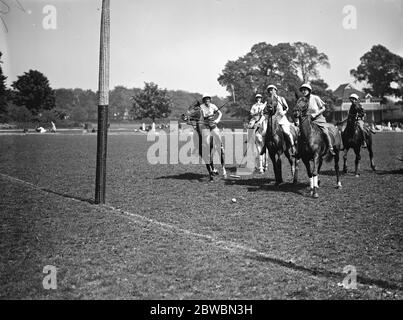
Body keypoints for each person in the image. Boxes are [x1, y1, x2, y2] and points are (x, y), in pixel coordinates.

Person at [299, 83, 335, 155]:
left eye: (305, 90)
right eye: (302, 90)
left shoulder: (315, 98)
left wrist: (315, 114)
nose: (303, 91)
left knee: (325, 132)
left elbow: (323, 108)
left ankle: (330, 148)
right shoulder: (301, 100)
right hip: (307, 120)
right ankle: (298, 151)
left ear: (309, 90)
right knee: (299, 134)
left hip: (318, 119)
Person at [266, 85, 296, 155]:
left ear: (275, 90)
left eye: (272, 89)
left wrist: (283, 112)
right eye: (269, 90)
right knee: (265, 132)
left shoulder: (281, 99)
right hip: (272, 119)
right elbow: (266, 109)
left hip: (281, 118)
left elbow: (287, 108)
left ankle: (292, 146)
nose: (271, 91)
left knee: (286, 131)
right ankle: (264, 148)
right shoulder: (268, 99)